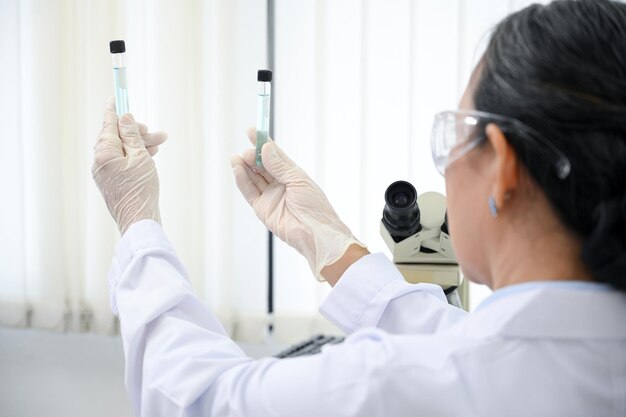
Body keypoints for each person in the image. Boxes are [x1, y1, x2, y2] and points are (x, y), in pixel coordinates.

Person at [92, 0, 626, 415]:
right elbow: (471, 346)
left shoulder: (381, 387)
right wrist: (331, 244)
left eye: (457, 134)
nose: (446, 167)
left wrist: (138, 223)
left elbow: (195, 402)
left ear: (505, 168)